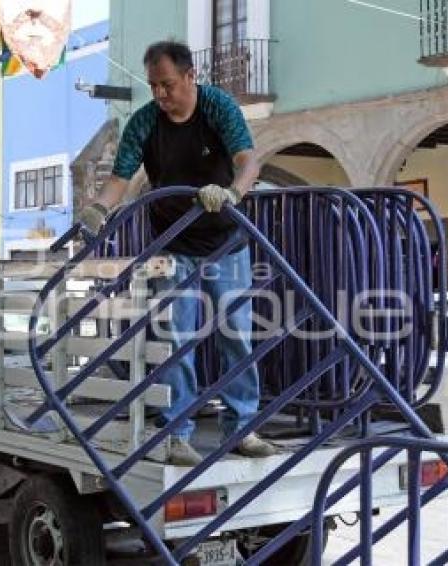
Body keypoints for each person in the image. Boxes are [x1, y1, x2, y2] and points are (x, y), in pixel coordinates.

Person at [78, 41, 274, 466]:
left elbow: (249, 162)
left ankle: (243, 426)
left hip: (225, 242)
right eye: (153, 86)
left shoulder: (218, 107)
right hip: (174, 245)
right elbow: (120, 177)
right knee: (175, 340)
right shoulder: (146, 123)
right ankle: (177, 431)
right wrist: (98, 207)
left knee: (235, 335)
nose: (161, 95)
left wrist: (233, 192)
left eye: (167, 84)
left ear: (190, 76)